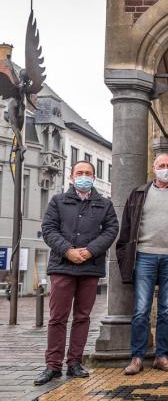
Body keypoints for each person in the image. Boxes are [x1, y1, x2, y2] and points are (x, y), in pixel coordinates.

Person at [117, 152, 168, 375]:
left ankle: (162, 356)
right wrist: (124, 256)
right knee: (141, 309)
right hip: (144, 256)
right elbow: (126, 229)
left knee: (166, 309)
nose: (165, 168)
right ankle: (137, 357)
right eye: (161, 165)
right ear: (154, 169)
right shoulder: (138, 194)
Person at [36, 160, 119, 385]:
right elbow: (49, 229)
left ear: (94, 177)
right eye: (80, 172)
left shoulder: (104, 204)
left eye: (88, 173)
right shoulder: (58, 201)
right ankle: (52, 366)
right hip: (63, 266)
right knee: (57, 318)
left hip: (89, 268)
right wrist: (68, 251)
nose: (84, 176)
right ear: (72, 177)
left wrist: (90, 251)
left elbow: (111, 230)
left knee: (82, 317)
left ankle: (74, 363)